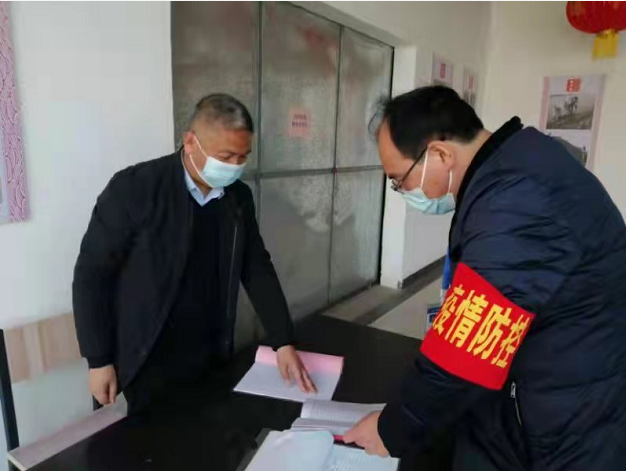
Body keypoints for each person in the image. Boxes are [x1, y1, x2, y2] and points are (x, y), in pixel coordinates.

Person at [344, 86, 626, 470]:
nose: (401, 191)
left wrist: (391, 429)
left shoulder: (518, 200)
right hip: (555, 374)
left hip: (575, 407)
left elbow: (467, 350)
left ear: (440, 155)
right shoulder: (517, 165)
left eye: (399, 180)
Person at [73, 94, 315, 413]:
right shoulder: (136, 188)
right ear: (190, 142)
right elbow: (91, 275)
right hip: (142, 358)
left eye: (242, 157)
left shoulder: (237, 198)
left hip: (209, 352)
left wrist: (282, 340)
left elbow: (255, 266)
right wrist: (99, 359)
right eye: (226, 156)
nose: (234, 167)